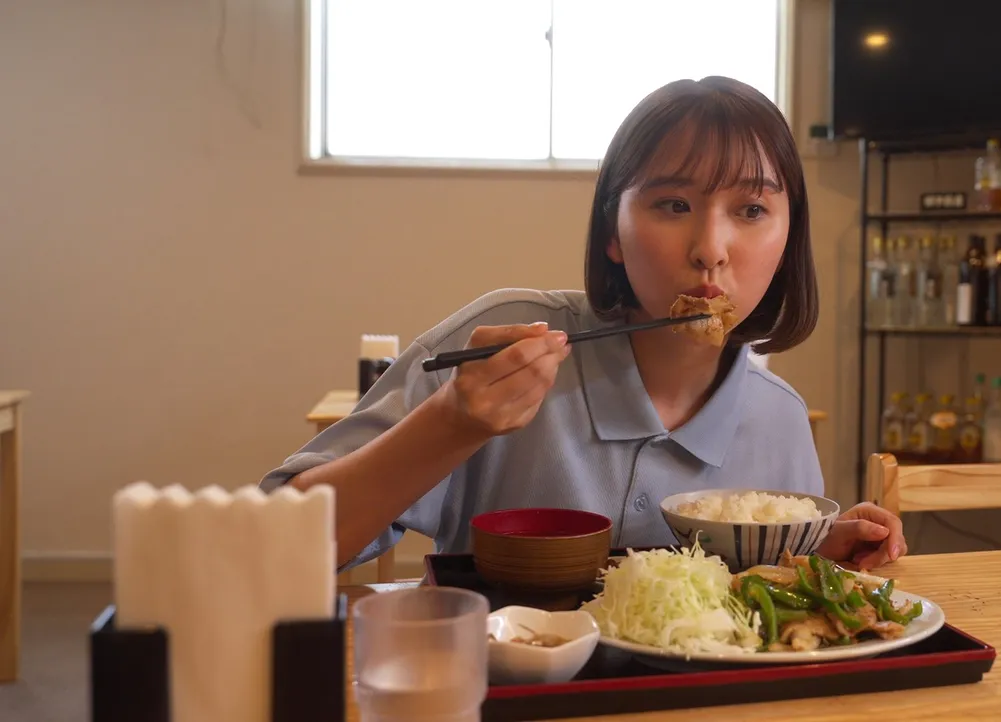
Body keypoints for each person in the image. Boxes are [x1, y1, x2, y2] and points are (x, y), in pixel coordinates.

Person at [259, 76, 907, 573]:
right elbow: (273, 548)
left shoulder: (780, 421)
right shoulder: (498, 345)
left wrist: (813, 556)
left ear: (789, 236)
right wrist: (451, 424)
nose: (711, 247)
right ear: (612, 233)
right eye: (674, 204)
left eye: (751, 209)